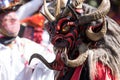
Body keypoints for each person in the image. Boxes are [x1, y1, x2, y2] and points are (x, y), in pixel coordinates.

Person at [0, 0, 55, 80]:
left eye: (15, 18)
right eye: (7, 18)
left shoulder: (28, 46)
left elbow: (51, 60)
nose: (14, 19)